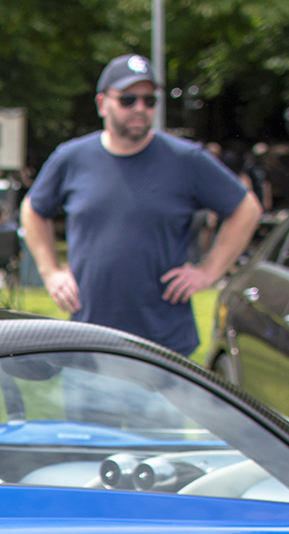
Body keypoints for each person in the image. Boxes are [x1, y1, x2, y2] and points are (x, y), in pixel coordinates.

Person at [22, 54, 262, 357]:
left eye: (149, 101)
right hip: (88, 339)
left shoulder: (185, 160)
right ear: (101, 104)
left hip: (164, 343)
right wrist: (50, 271)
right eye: (128, 99)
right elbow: (33, 209)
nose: (140, 109)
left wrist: (208, 271)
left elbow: (246, 209)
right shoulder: (71, 158)